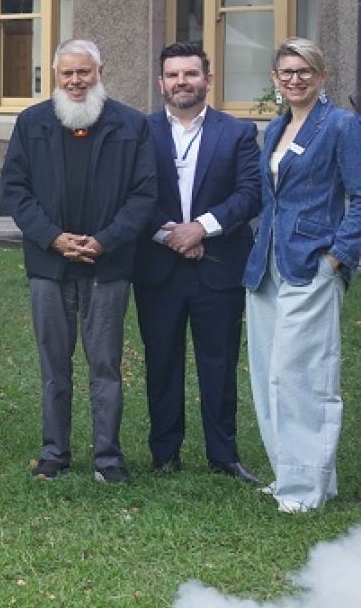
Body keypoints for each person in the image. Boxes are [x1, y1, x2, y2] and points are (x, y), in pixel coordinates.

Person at [0, 39, 156, 484]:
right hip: (49, 265)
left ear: (99, 72)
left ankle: (108, 457)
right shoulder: (32, 122)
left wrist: (104, 241)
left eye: (83, 72)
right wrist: (53, 238)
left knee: (105, 364)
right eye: (67, 73)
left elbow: (144, 194)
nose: (75, 81)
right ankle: (54, 452)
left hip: (108, 265)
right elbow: (15, 189)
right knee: (54, 364)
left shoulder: (131, 125)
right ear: (55, 75)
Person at [133, 43, 263, 482]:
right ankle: (164, 453)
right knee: (161, 360)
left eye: (190, 74)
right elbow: (130, 192)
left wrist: (202, 228)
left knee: (219, 362)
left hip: (219, 265)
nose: (181, 82)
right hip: (158, 266)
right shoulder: (140, 131)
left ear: (208, 79)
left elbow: (250, 193)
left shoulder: (238, 132)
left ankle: (223, 455)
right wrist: (171, 235)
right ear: (161, 83)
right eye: (173, 75)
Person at [242, 39, 360, 513]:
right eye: (287, 72)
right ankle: (294, 476)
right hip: (267, 266)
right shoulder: (275, 128)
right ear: (275, 78)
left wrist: (337, 259)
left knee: (302, 377)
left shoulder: (342, 125)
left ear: (322, 76)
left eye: (305, 71)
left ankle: (305, 490)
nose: (295, 79)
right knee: (269, 375)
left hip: (312, 264)